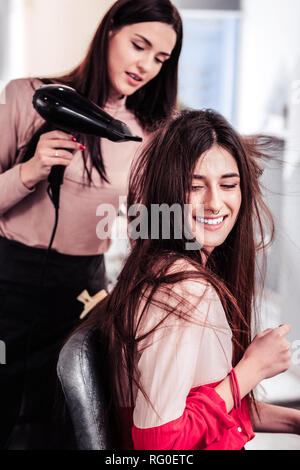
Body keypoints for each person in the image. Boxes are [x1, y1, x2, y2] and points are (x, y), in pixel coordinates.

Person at [0, 0, 183, 449]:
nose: (146, 66)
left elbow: (149, 225)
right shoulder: (27, 96)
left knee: (64, 418)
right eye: (139, 45)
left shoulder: (149, 132)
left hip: (82, 289)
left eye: (161, 59)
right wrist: (31, 171)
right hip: (8, 281)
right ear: (109, 31)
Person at [86, 109, 300, 450]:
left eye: (228, 185)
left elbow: (203, 405)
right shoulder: (183, 290)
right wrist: (252, 368)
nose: (215, 203)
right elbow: (158, 444)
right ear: (167, 196)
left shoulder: (162, 269)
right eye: (194, 187)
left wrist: (293, 420)